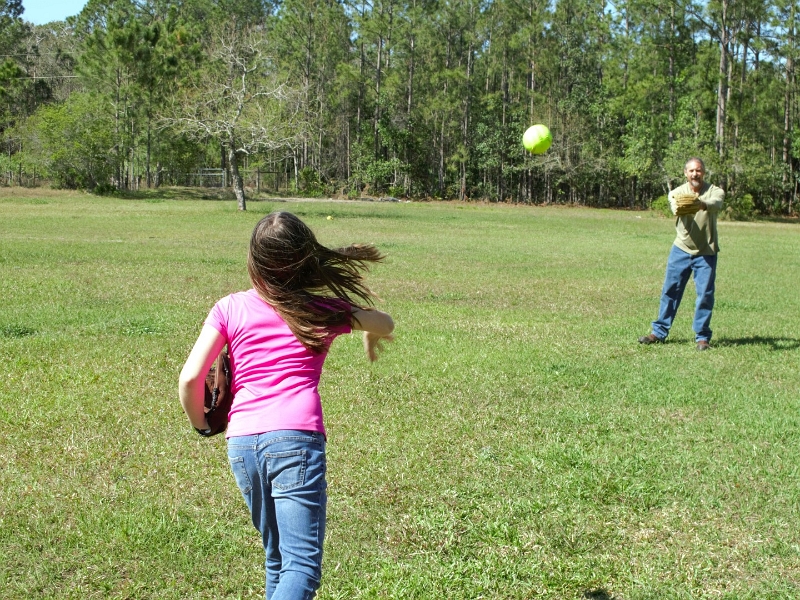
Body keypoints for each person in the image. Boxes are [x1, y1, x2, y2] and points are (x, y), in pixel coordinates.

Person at [179, 211, 394, 600]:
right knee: (301, 569)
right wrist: (368, 333)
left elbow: (191, 379)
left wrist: (202, 424)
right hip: (296, 440)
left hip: (242, 444)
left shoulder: (229, 307)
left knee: (277, 558)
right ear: (305, 259)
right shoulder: (322, 309)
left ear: (254, 261)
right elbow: (386, 323)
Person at [639, 157, 725, 351]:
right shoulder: (677, 192)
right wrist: (682, 205)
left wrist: (700, 204)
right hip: (681, 249)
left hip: (706, 252)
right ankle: (659, 332)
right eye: (691, 170)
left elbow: (716, 203)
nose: (695, 174)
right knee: (670, 291)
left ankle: (702, 337)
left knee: (705, 295)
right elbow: (674, 206)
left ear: (704, 172)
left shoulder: (715, 191)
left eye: (698, 170)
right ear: (686, 173)